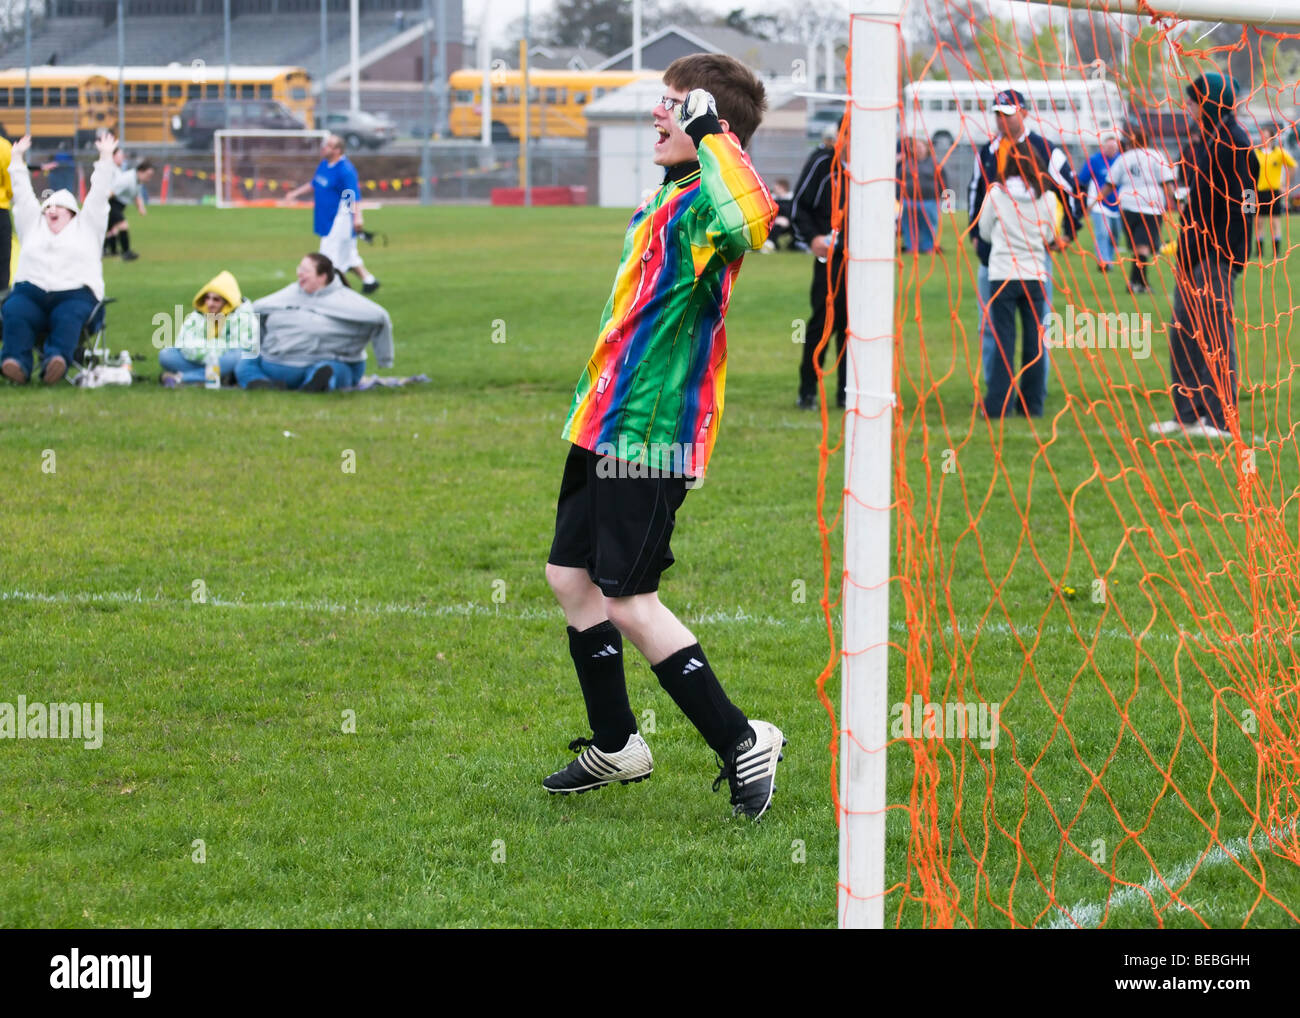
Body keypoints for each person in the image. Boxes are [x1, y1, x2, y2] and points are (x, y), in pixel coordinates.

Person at [543, 54, 785, 821]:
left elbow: (755, 217)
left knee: (627, 599)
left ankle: (744, 738)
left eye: (674, 104)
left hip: (649, 434)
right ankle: (618, 745)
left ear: (711, 121)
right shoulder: (672, 193)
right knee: (570, 579)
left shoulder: (715, 203)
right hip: (605, 421)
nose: (659, 114)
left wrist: (712, 130)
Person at [1150, 73, 1258, 439]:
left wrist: (1234, 252)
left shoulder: (1234, 141)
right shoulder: (1207, 140)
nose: (1188, 107)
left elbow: (1248, 199)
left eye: (1193, 100)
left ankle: (1220, 419)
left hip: (1215, 258)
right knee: (1183, 333)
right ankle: (1188, 415)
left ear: (1209, 103)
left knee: (1214, 336)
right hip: (1191, 256)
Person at [968, 89, 1082, 413]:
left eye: (1007, 112)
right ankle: (1019, 400)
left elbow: (1073, 191)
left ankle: (1011, 400)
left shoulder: (1049, 150)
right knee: (997, 331)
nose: (1002, 119)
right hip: (1013, 261)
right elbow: (973, 191)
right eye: (997, 113)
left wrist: (1070, 233)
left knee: (1021, 335)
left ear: (1024, 113)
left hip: (1010, 263)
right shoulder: (987, 152)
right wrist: (976, 236)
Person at [1, 132, 115, 385]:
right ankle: (15, 363)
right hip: (31, 291)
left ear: (73, 212)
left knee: (69, 315)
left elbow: (98, 197)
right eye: (48, 207)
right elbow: (21, 194)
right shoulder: (33, 225)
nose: (51, 210)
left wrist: (105, 157)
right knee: (14, 310)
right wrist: (17, 160)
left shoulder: (87, 227)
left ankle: (57, 361)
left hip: (75, 293)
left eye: (59, 207)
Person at [976, 141, 1064, 419]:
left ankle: (998, 405)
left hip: (1002, 273)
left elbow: (984, 231)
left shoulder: (996, 194)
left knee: (1003, 341)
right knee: (1034, 342)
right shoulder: (1048, 199)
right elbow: (1050, 235)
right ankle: (1032, 404)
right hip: (1034, 274)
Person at [235, 252, 393, 391]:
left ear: (322, 277)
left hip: (318, 362)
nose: (299, 274)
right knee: (246, 360)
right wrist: (260, 344)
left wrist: (384, 359)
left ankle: (316, 382)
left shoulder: (346, 300)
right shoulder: (288, 294)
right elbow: (257, 309)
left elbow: (380, 317)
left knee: (333, 370)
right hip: (275, 362)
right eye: (299, 269)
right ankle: (259, 382)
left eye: (305, 271)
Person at [791, 120, 847, 409]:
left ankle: (848, 393)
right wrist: (813, 238)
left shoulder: (878, 164)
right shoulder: (823, 163)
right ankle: (808, 390)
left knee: (857, 328)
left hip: (866, 262)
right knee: (824, 323)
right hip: (831, 260)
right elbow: (799, 205)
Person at [283, 135, 380, 294]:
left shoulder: (345, 170)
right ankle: (369, 281)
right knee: (349, 256)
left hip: (339, 220)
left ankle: (336, 292)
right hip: (325, 218)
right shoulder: (324, 165)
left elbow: (352, 195)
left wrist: (357, 217)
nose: (324, 147)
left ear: (337, 150)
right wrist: (294, 194)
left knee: (327, 259)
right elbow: (314, 183)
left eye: (328, 145)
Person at [1098, 120, 1175, 294]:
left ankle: (1136, 283)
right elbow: (1167, 182)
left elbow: (1110, 182)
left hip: (1128, 205)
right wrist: (1179, 201)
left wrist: (1095, 200)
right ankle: (1139, 284)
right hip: (1151, 205)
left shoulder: (1124, 158)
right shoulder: (1156, 155)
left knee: (1137, 246)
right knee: (1144, 246)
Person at [158, 270, 259, 387]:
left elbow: (241, 349)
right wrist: (212, 354)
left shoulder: (244, 317)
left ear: (228, 302)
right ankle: (216, 377)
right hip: (206, 360)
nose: (209, 303)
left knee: (238, 357)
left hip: (225, 361)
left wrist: (205, 348)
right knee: (166, 355)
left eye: (216, 300)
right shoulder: (198, 315)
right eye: (207, 298)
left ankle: (182, 378)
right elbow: (183, 343)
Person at [1076, 131, 1123, 272]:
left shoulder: (1122, 160)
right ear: (1103, 148)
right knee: (1102, 233)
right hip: (1098, 205)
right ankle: (1104, 263)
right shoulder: (1094, 161)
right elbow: (1082, 180)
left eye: (1114, 148)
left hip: (1118, 205)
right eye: (1109, 148)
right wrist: (1084, 202)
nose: (1111, 150)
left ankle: (1110, 259)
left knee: (1115, 236)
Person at [899, 135, 946, 255]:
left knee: (929, 225)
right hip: (908, 201)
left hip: (929, 200)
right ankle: (911, 247)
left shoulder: (935, 163)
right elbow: (899, 180)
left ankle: (928, 247)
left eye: (920, 146)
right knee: (908, 225)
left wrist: (946, 198)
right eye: (915, 146)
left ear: (926, 148)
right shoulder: (906, 163)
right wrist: (897, 196)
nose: (918, 149)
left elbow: (944, 181)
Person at [1254, 124, 1295, 258]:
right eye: (1262, 137)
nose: (1264, 139)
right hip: (1258, 192)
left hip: (1274, 192)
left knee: (1274, 222)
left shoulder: (1279, 153)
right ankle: (1259, 253)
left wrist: (1286, 185)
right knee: (1259, 223)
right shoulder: (1256, 153)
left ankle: (1276, 253)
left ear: (1272, 138)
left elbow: (1293, 166)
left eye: (1267, 137)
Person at [104, 150, 154, 261]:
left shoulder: (137, 181)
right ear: (141, 171)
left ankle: (105, 250)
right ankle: (126, 253)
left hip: (119, 205)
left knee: (109, 229)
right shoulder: (127, 179)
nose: (149, 178)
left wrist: (141, 207)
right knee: (123, 225)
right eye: (148, 175)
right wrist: (101, 206)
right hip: (112, 204)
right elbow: (111, 192)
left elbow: (137, 195)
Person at [762, 177, 796, 252]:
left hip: (789, 223)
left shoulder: (792, 199)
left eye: (776, 187)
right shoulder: (772, 199)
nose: (774, 188)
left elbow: (794, 213)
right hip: (774, 222)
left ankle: (770, 244)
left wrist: (788, 220)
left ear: (782, 188)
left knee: (778, 226)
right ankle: (768, 244)